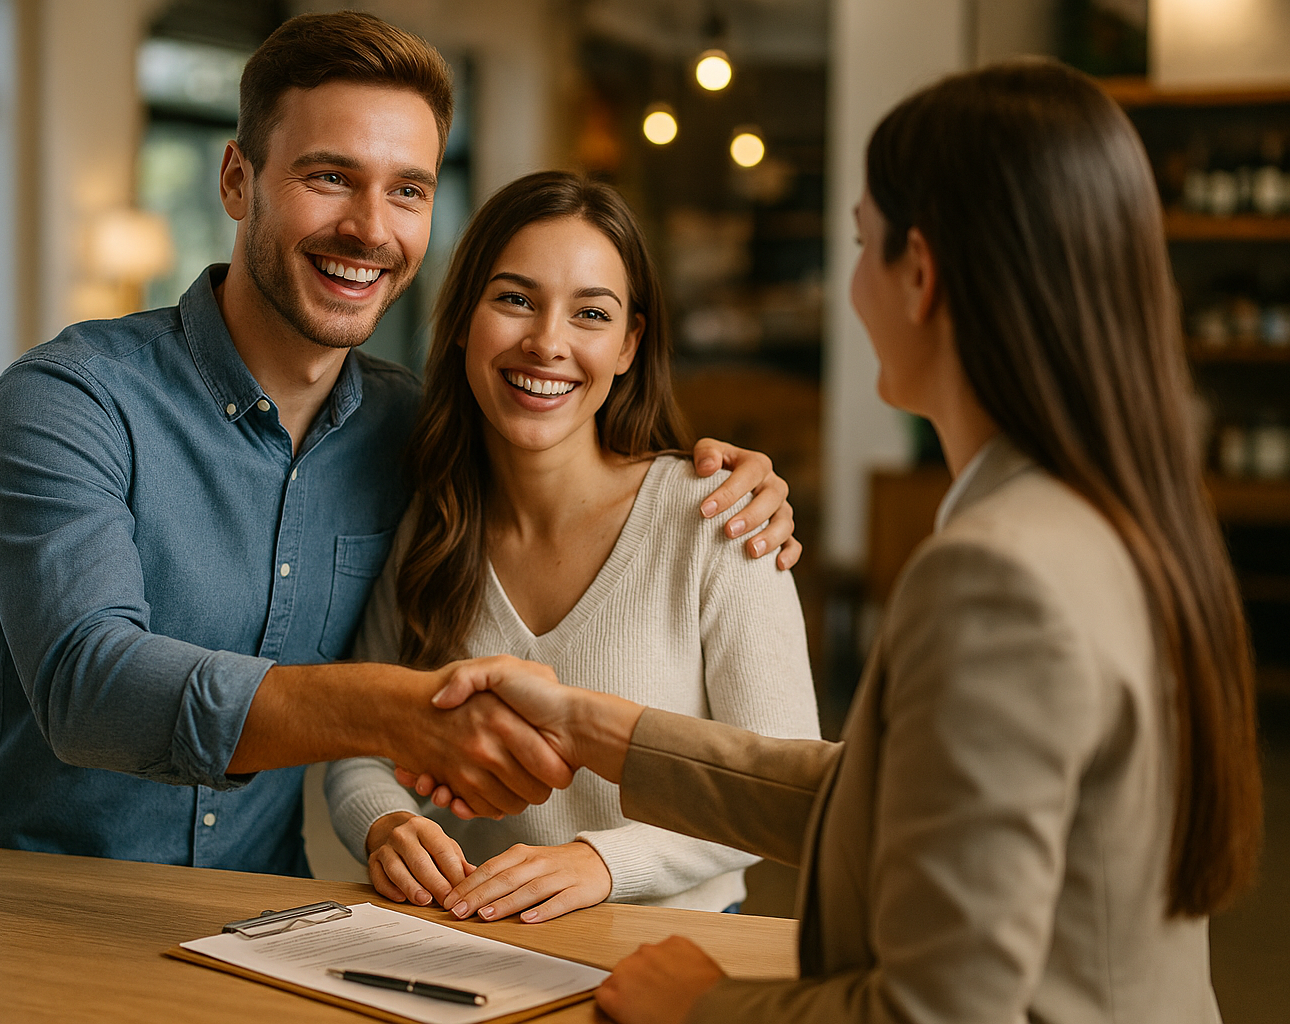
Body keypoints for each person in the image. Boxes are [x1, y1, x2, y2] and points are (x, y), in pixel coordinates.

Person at [406, 60, 1263, 1024]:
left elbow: (939, 1010)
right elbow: (883, 799)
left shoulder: (999, 573)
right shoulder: (1098, 523)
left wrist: (706, 1006)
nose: (851, 287)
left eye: (861, 244)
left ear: (921, 273)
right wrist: (584, 722)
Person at [0, 11, 799, 876]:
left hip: (253, 919)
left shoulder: (410, 433)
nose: (370, 228)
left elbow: (559, 441)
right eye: (330, 176)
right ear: (238, 180)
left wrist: (727, 477)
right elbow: (88, 688)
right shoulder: (71, 397)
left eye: (409, 190)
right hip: (33, 901)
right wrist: (386, 711)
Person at [324, 172, 820, 923]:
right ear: (462, 319)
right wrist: (386, 824)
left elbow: (786, 791)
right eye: (516, 299)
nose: (547, 343)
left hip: (677, 950)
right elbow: (359, 740)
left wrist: (603, 863)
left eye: (591, 313)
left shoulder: (717, 518)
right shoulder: (429, 522)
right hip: (474, 947)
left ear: (628, 346)